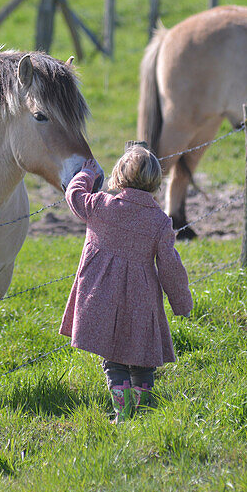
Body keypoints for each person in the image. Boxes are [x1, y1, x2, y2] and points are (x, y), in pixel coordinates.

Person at [60, 145, 193, 422]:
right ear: (156, 183)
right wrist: (182, 302)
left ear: (118, 177)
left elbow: (74, 196)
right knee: (143, 358)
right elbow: (170, 267)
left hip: (102, 296)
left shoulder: (100, 205)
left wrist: (85, 173)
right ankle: (142, 413)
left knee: (114, 359)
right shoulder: (159, 222)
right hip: (142, 300)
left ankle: (123, 413)